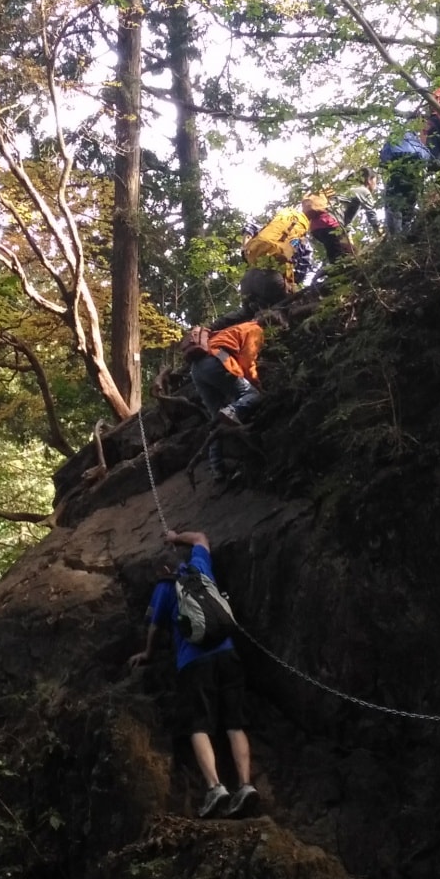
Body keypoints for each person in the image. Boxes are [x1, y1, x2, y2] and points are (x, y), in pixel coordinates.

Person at [129, 529, 259, 820]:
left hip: (194, 662)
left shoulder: (164, 588)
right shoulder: (200, 567)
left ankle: (215, 787)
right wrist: (176, 536)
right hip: (227, 653)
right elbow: (201, 537)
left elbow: (155, 627)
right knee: (234, 723)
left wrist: (148, 654)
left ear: (162, 569)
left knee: (198, 725)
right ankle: (246, 785)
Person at [180, 321, 262, 478]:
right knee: (252, 395)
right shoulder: (255, 329)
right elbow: (247, 360)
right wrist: (256, 383)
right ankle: (232, 411)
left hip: (196, 370)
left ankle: (216, 466)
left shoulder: (233, 329)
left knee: (215, 417)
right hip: (215, 360)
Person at [379, 123, 434, 233]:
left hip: (397, 177)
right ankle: (407, 230)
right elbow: (428, 158)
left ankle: (396, 236)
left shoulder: (392, 141)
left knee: (393, 205)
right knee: (409, 205)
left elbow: (383, 159)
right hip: (414, 177)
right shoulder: (416, 143)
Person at [301, 193, 355, 265]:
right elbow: (351, 201)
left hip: (315, 229)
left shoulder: (315, 200)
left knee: (331, 249)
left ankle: (335, 267)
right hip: (328, 225)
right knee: (340, 251)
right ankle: (342, 267)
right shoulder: (332, 198)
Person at [341, 168, 379, 236]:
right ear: (369, 180)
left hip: (319, 225)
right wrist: (380, 232)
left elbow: (346, 220)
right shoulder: (363, 190)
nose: (375, 185)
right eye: (375, 181)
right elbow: (371, 214)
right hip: (333, 221)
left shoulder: (347, 191)